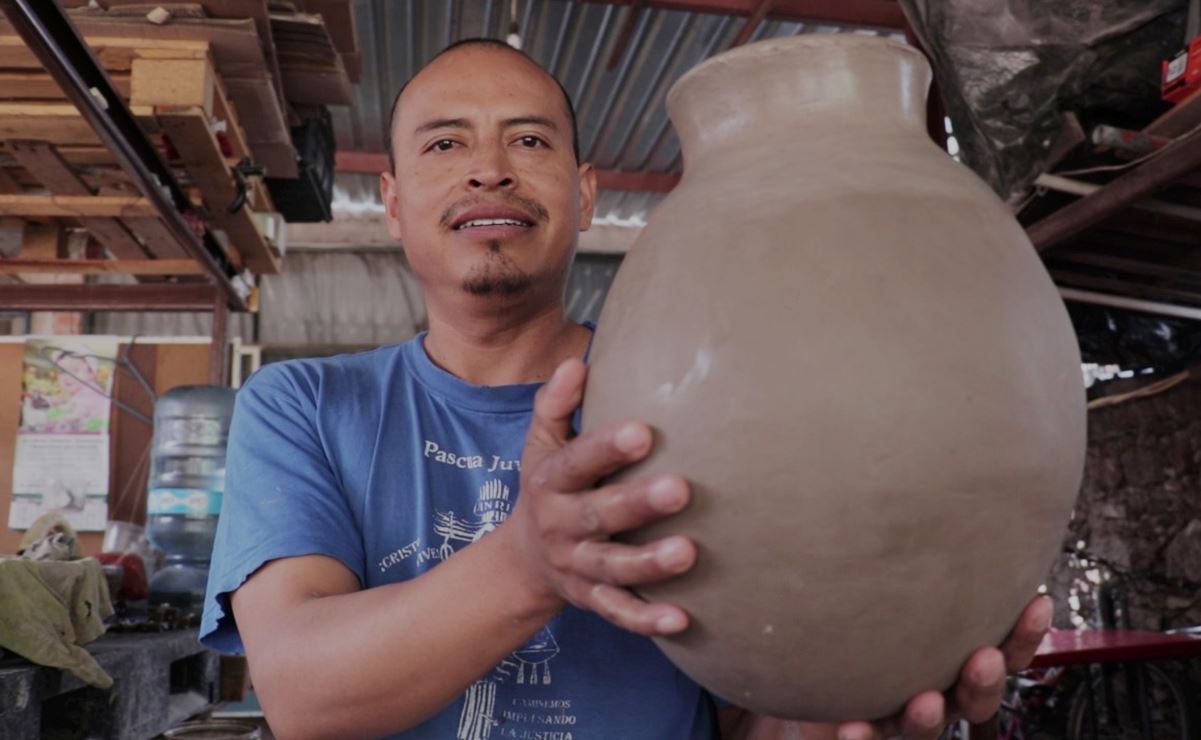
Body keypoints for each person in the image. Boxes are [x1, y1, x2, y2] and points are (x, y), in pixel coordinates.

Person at [200, 38, 1052, 740]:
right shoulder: (303, 404)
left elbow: (747, 705)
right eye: (444, 143)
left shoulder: (695, 402)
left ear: (584, 193)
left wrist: (840, 712)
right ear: (390, 199)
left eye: (529, 141)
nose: (489, 170)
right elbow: (302, 695)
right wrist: (530, 562)